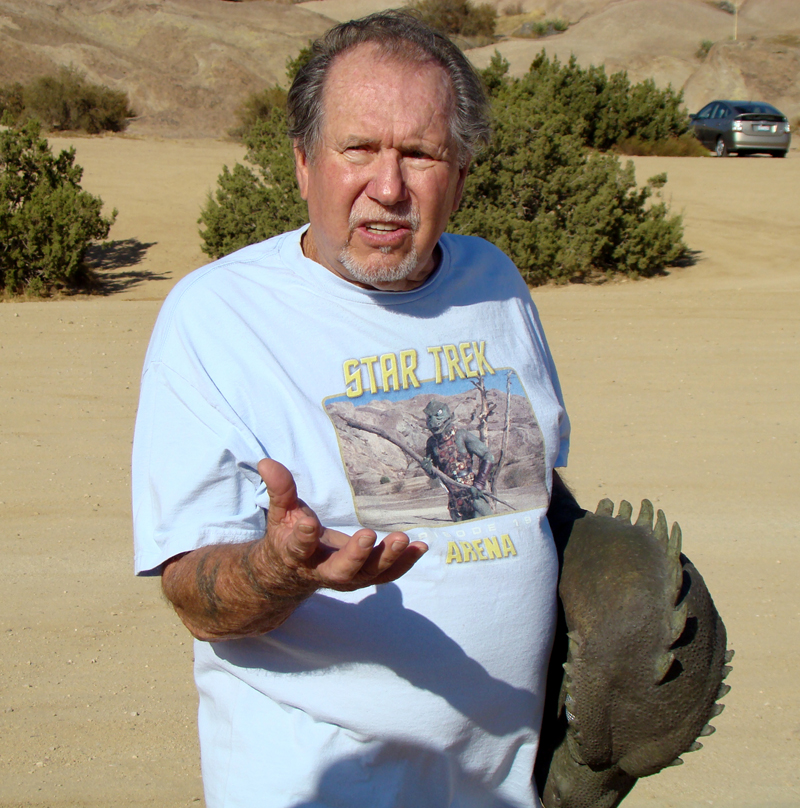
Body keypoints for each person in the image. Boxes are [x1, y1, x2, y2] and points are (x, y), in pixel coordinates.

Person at [132, 10, 570, 808]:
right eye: (358, 148)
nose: (389, 187)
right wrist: (284, 568)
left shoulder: (493, 281)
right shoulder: (219, 316)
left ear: (461, 174)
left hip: (500, 784)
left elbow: (538, 488)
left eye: (420, 153)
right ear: (304, 163)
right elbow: (192, 593)